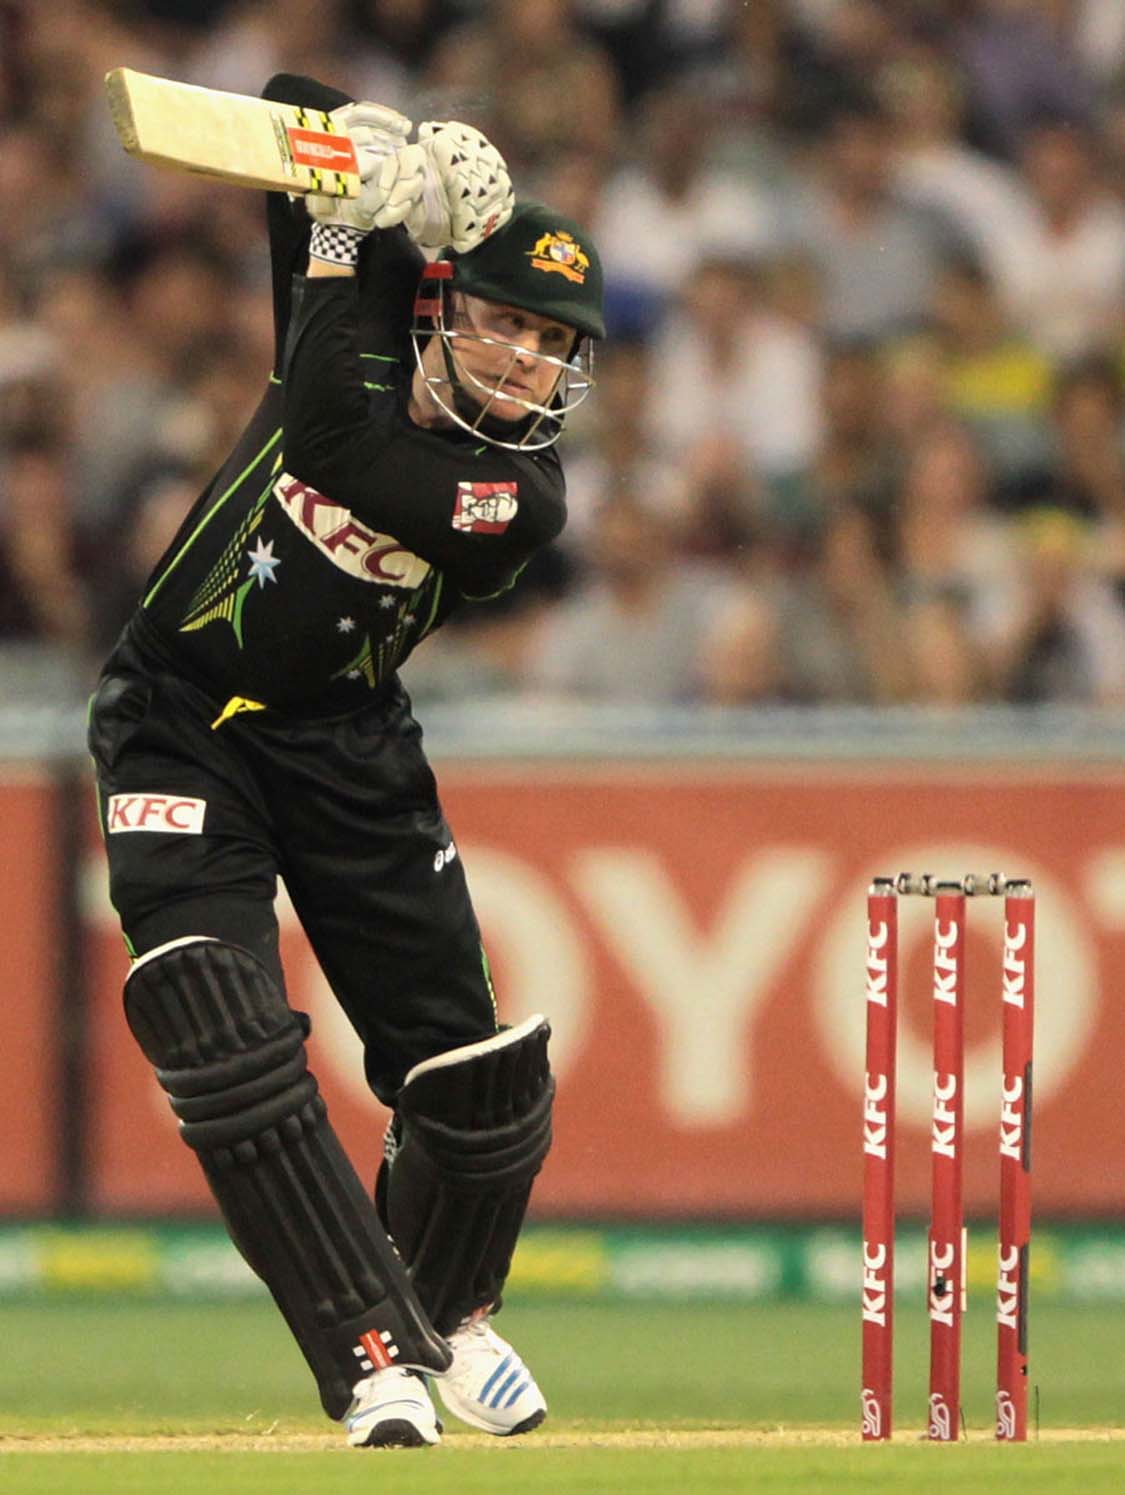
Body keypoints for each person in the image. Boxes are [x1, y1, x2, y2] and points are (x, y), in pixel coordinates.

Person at [87, 73, 604, 1450]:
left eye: (553, 345)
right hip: (180, 716)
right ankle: (375, 1356)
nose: (524, 364)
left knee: (480, 1081)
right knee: (215, 1020)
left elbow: (330, 442)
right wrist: (396, 149)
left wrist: (336, 237)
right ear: (438, 305)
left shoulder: (521, 499)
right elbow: (286, 101)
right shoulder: (372, 303)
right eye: (503, 322)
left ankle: (450, 1316)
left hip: (350, 747)